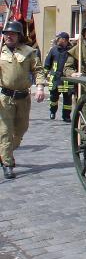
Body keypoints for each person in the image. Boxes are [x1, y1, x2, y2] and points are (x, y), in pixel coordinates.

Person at [0, 21, 46, 179]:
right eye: (6, 34)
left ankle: (3, 152)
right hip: (5, 98)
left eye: (12, 34)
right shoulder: (0, 52)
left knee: (21, 130)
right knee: (5, 132)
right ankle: (7, 163)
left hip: (23, 98)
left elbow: (39, 70)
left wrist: (40, 87)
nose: (8, 36)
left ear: (19, 35)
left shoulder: (29, 52)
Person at [43, 31, 73, 121]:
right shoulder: (54, 50)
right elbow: (47, 63)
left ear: (64, 40)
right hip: (55, 80)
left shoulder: (71, 51)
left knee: (67, 100)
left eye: (59, 38)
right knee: (53, 98)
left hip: (66, 80)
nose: (57, 40)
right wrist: (44, 75)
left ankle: (66, 116)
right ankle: (52, 112)